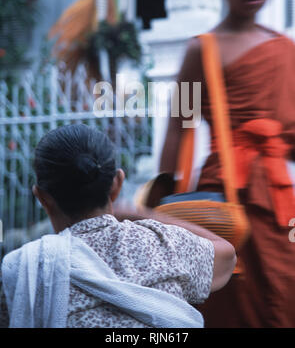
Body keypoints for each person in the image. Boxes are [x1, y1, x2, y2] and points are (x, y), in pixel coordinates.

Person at [159, 0, 295, 328]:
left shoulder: (286, 50)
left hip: (277, 199)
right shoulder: (201, 49)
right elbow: (178, 127)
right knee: (229, 299)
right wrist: (164, 196)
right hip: (222, 196)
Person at [0, 123, 236, 328]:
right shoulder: (166, 245)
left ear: (42, 197)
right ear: (118, 183)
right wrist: (141, 213)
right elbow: (227, 254)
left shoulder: (23, 272)